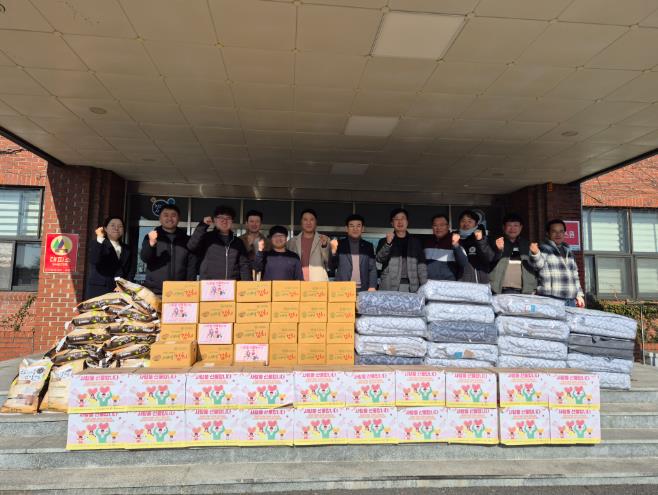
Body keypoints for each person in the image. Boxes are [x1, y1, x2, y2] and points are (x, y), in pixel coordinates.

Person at [139, 204, 197, 295]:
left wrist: (189, 287)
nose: (170, 218)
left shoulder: (186, 240)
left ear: (178, 219)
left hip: (179, 292)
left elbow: (191, 266)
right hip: (154, 291)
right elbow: (145, 258)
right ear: (160, 218)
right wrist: (151, 244)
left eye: (173, 215)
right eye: (166, 215)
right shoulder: (151, 237)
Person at [529, 219, 585, 307]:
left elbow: (575, 275)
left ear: (564, 233)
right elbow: (537, 265)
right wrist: (535, 254)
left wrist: (579, 295)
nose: (558, 234)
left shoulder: (569, 251)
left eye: (561, 231)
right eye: (554, 231)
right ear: (548, 233)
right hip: (551, 298)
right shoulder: (543, 249)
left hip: (570, 299)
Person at [187, 205, 251, 280]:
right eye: (221, 217)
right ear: (215, 220)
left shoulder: (238, 242)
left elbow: (244, 265)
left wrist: (247, 284)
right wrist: (202, 226)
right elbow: (191, 246)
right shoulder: (206, 238)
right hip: (210, 284)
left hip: (231, 284)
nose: (224, 221)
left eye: (228, 218)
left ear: (232, 221)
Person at [376, 208, 427, 293]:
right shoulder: (384, 241)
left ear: (407, 222)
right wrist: (388, 244)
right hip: (389, 286)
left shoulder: (416, 242)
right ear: (392, 223)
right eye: (396, 219)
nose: (400, 222)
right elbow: (379, 259)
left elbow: (421, 265)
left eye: (403, 218)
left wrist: (424, 285)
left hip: (411, 287)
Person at [85, 216, 134, 299]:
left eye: (120, 226)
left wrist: (125, 286)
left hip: (119, 291)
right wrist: (100, 237)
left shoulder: (127, 249)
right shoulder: (97, 243)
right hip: (100, 290)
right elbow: (94, 259)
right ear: (105, 229)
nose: (116, 228)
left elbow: (130, 271)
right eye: (112, 225)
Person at [489, 213, 538, 295]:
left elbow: (536, 266)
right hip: (500, 290)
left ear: (521, 227)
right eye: (509, 225)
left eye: (516, 225)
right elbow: (489, 260)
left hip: (524, 291)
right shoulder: (496, 243)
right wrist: (498, 250)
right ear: (503, 227)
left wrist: (536, 253)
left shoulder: (528, 245)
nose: (512, 229)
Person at [329, 214, 377, 292]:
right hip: (342, 288)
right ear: (346, 228)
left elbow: (372, 268)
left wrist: (372, 286)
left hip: (364, 288)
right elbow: (332, 267)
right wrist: (333, 252)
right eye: (352, 226)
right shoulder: (339, 244)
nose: (355, 229)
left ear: (362, 228)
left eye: (358, 226)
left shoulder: (368, 246)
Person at [452, 209, 495, 284]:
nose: (466, 224)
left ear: (476, 223)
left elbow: (490, 258)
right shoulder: (454, 238)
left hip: (482, 282)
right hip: (461, 283)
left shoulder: (483, 238)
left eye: (469, 221)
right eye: (463, 221)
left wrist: (480, 240)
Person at [287, 209, 331, 281]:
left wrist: (324, 246)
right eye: (305, 220)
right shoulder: (292, 242)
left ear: (316, 222)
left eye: (312, 220)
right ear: (301, 222)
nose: (308, 223)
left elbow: (329, 263)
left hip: (318, 282)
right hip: (297, 282)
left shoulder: (324, 239)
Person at [423, 214, 467, 281]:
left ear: (448, 226)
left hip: (448, 283)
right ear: (432, 227)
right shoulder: (427, 242)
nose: (438, 228)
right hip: (429, 283)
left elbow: (463, 263)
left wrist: (456, 245)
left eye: (442, 225)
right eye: (435, 225)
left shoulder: (456, 240)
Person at [239, 209, 268, 281]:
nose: (254, 224)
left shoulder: (267, 242)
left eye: (257, 221)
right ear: (246, 223)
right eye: (251, 221)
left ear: (261, 224)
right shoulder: (239, 240)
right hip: (242, 279)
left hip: (262, 279)